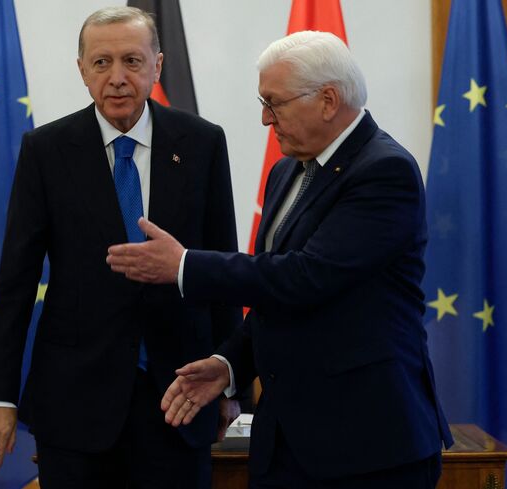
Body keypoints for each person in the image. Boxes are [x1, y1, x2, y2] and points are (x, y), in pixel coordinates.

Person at [107, 30, 454, 489]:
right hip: (286, 444)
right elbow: (275, 298)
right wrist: (230, 364)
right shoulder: (287, 170)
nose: (265, 119)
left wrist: (185, 265)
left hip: (367, 446)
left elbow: (306, 278)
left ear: (328, 100)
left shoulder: (384, 172)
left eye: (275, 103)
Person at [0, 6, 242, 489]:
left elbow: (221, 270)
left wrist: (231, 381)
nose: (117, 78)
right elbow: (15, 281)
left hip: (179, 399)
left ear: (157, 65)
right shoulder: (47, 151)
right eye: (102, 63)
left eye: (132, 61)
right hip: (76, 406)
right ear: (81, 70)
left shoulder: (202, 143)